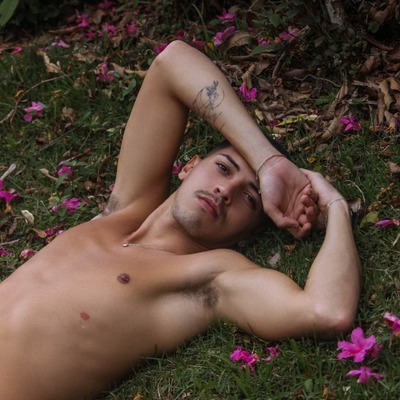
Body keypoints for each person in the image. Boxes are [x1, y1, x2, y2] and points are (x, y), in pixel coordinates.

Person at [0, 40, 361, 400]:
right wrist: (267, 160)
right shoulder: (125, 209)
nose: (225, 191)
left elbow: (326, 312)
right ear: (189, 166)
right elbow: (171, 63)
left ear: (247, 234)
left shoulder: (207, 278)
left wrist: (336, 207)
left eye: (250, 199)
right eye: (223, 168)